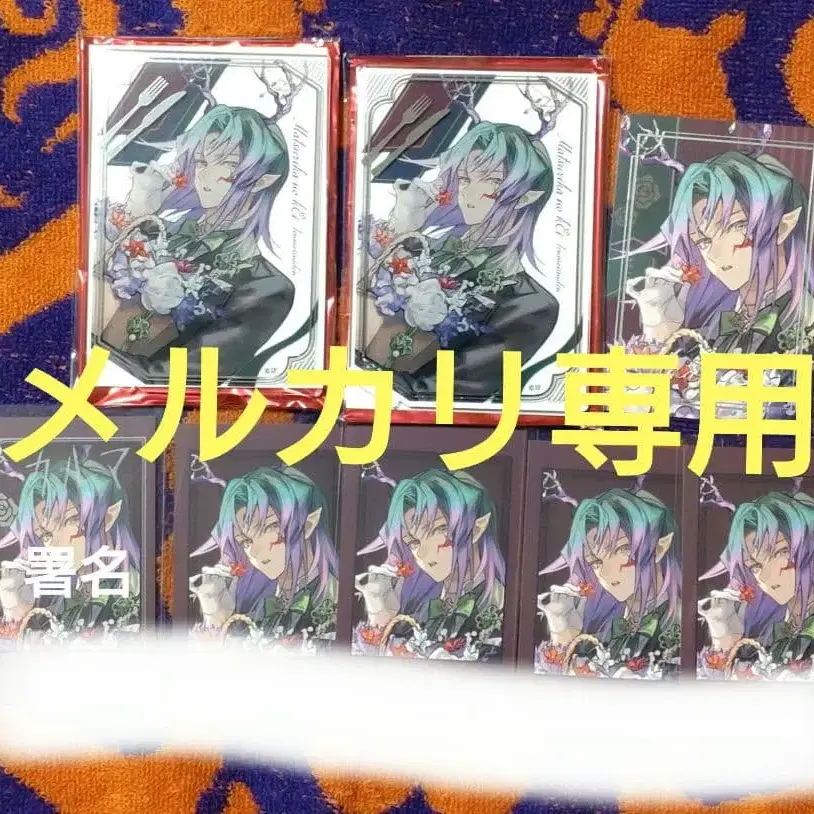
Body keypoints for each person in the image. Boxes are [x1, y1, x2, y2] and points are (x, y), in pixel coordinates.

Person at [101, 103, 297, 384]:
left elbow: (175, 379)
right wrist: (138, 211)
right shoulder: (155, 230)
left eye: (228, 164)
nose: (204, 175)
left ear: (262, 180)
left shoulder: (266, 288)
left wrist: (90, 348)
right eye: (202, 162)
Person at [365, 121, 560, 401]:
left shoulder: (530, 305)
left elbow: (439, 392)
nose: (467, 192)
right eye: (465, 179)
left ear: (526, 197)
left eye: (491, 181)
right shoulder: (419, 248)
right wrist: (402, 230)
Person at [354, 469, 505, 661]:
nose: (422, 553)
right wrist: (381, 616)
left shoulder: (499, 608)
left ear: (476, 528)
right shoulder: (423, 610)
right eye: (413, 542)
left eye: (437, 530)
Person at [537, 488, 682, 679]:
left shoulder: (681, 624)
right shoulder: (606, 632)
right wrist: (563, 634)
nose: (605, 573)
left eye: (621, 550)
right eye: (595, 562)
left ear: (660, 548)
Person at [190, 466, 338, 649]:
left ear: (308, 525)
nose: (254, 551)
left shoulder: (333, 599)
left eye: (269, 528)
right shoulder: (262, 607)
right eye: (245, 541)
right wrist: (217, 616)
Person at [698, 491, 814, 681]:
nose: (765, 576)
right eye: (755, 566)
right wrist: (724, 641)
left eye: (780, 553)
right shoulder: (772, 631)